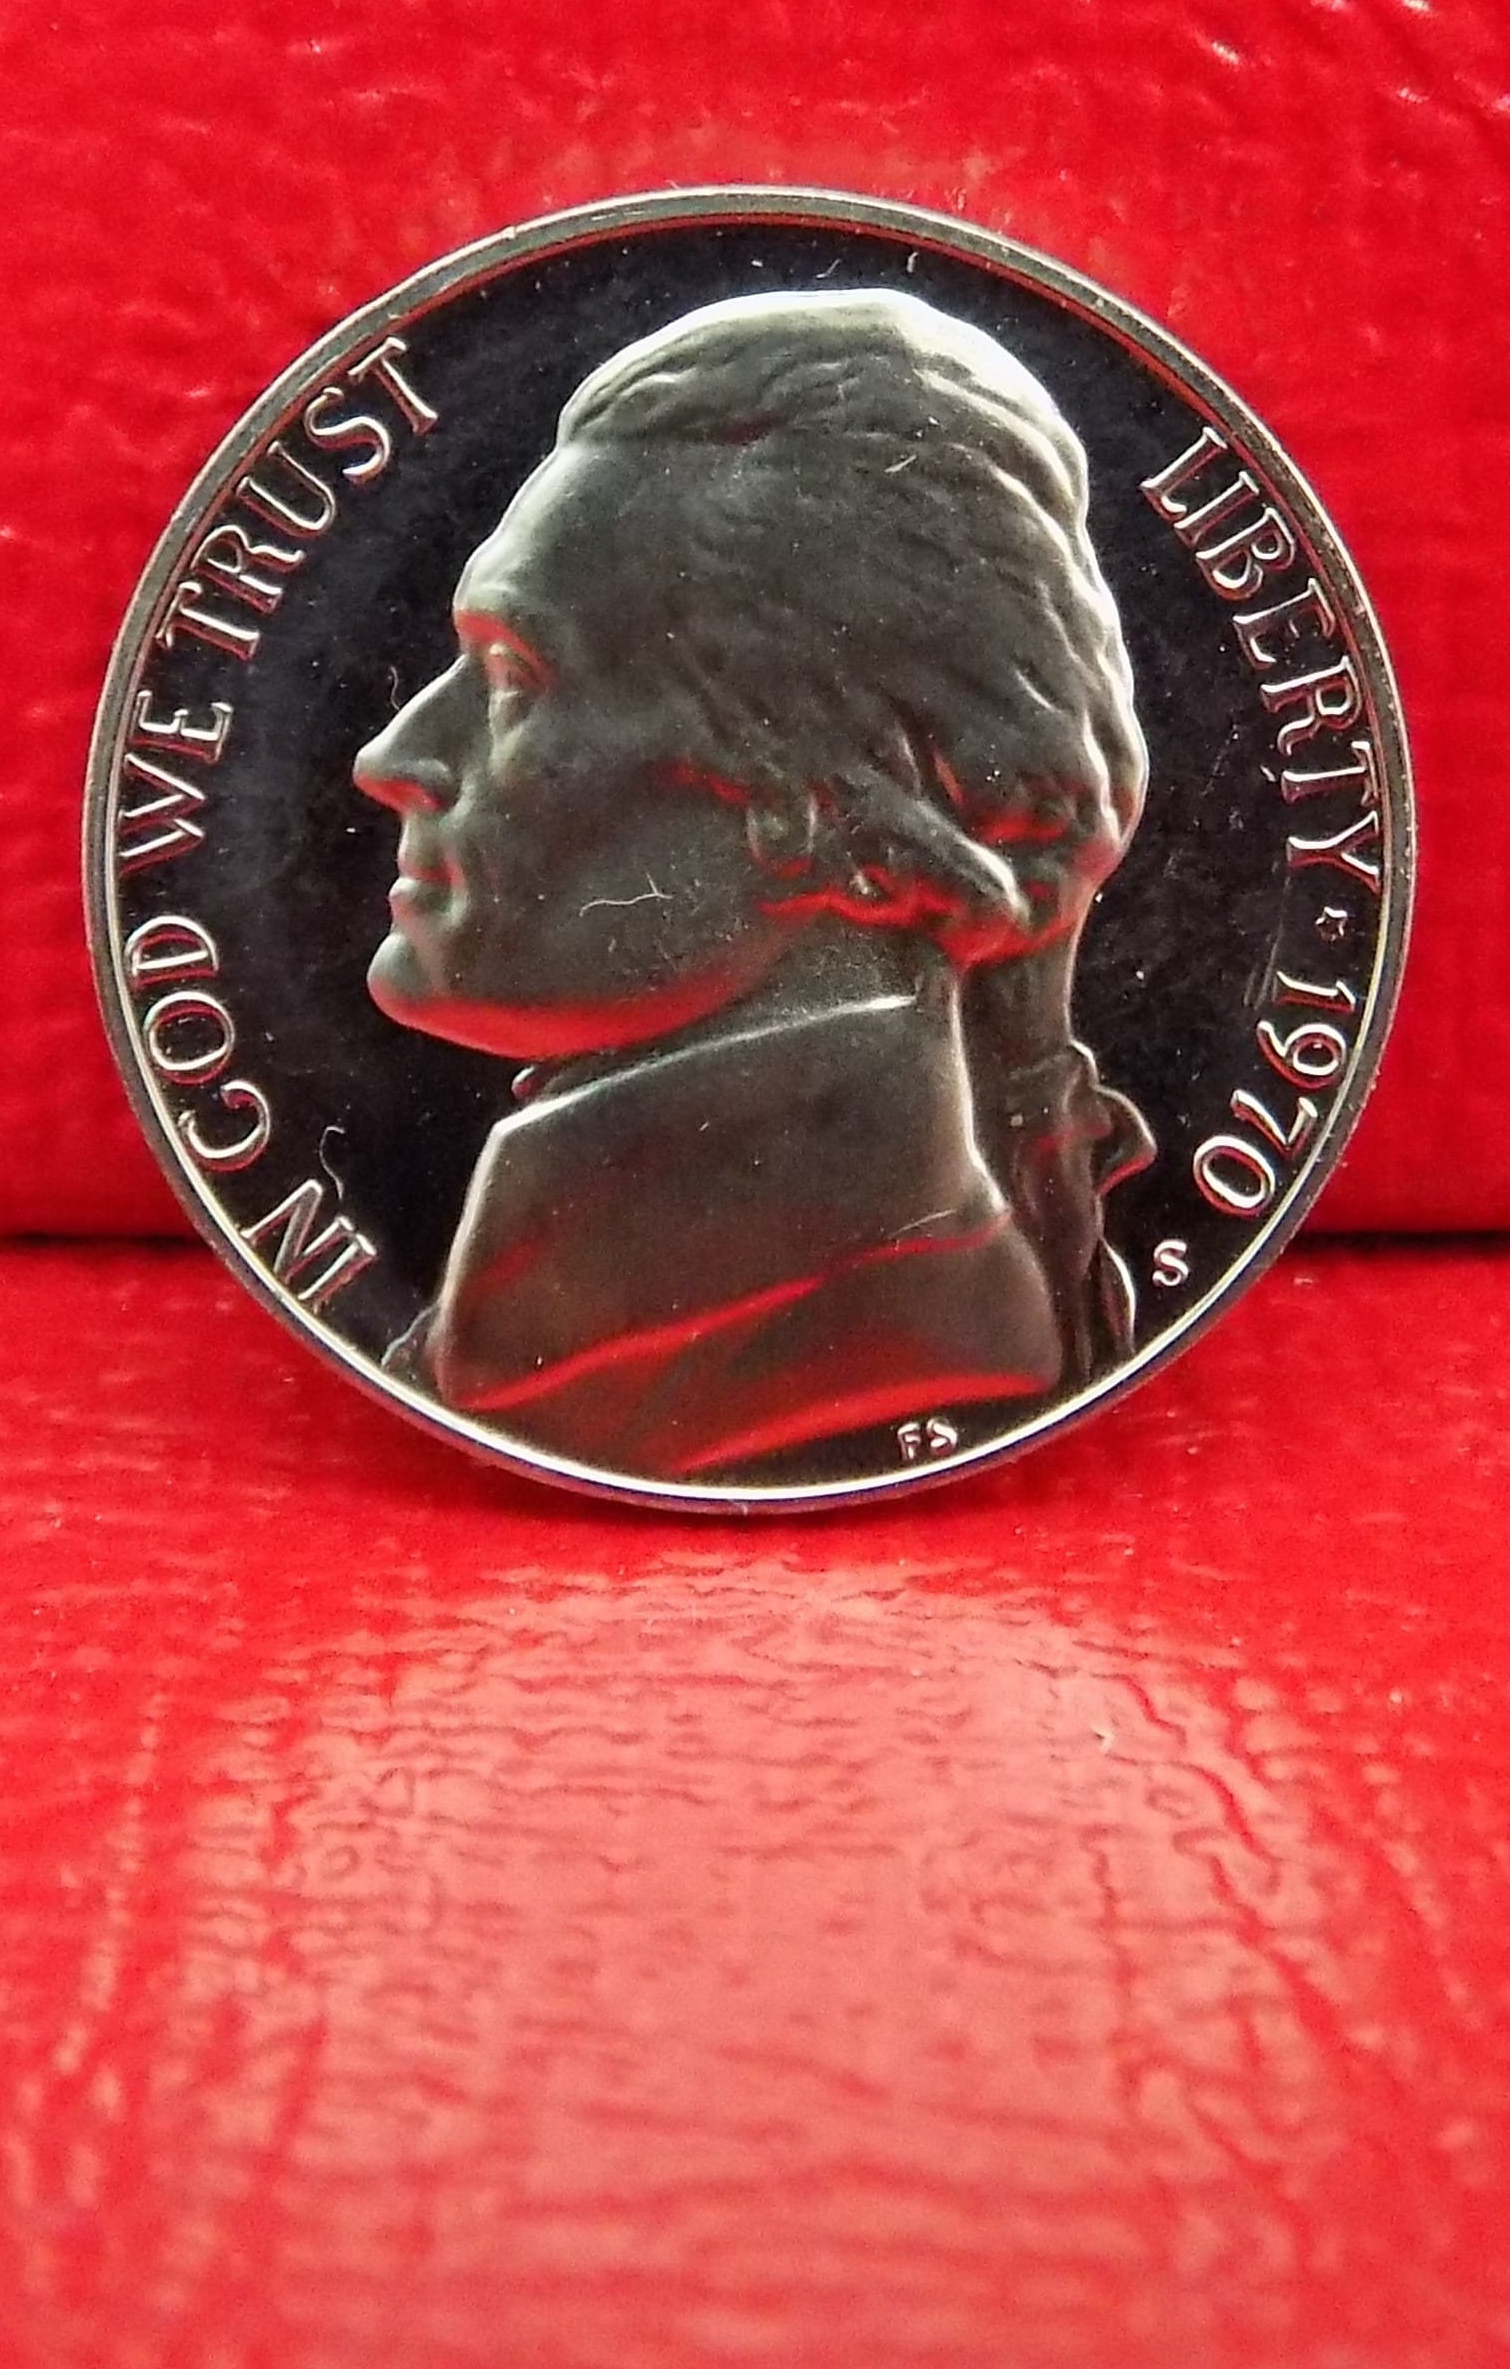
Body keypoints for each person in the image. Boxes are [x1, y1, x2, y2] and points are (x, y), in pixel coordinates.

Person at [351, 288, 1155, 1480]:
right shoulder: (614, 1322)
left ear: (830, 801)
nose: (392, 758)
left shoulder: (828, 1343)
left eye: (516, 675)